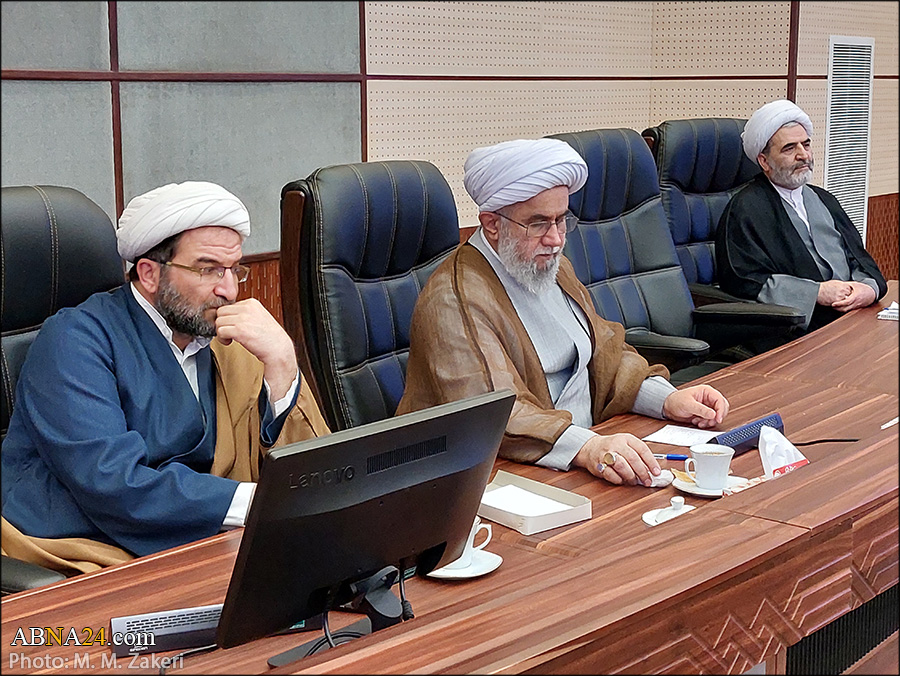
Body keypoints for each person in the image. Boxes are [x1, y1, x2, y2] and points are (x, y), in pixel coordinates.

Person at [1, 181, 329, 574]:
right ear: (150, 274)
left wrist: (282, 364)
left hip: (204, 535)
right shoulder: (74, 340)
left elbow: (304, 471)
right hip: (89, 547)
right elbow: (111, 481)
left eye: (234, 270)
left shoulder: (227, 339)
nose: (228, 290)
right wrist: (258, 503)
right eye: (208, 269)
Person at [396, 139, 730, 487]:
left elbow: (605, 356)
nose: (555, 239)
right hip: (507, 477)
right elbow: (494, 413)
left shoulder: (549, 267)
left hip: (586, 453)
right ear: (492, 224)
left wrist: (668, 399)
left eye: (561, 220)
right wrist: (588, 447)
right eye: (539, 223)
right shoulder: (453, 299)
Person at [716, 99, 887, 332]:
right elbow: (742, 279)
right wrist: (816, 293)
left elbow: (857, 257)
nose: (803, 155)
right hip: (795, 327)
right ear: (764, 161)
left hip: (853, 315)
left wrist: (867, 288)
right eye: (789, 148)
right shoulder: (745, 209)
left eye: (806, 145)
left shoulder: (824, 199)